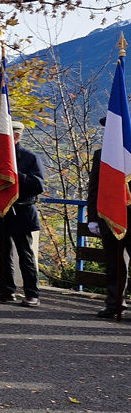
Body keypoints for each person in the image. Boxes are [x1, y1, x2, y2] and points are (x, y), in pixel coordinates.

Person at [0, 120, 46, 307]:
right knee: (2, 254)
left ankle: (32, 294)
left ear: (16, 136)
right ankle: (6, 290)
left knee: (26, 255)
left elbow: (38, 186)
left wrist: (15, 174)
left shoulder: (30, 158)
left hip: (22, 211)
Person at [85, 119, 131, 319]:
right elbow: (94, 188)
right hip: (109, 216)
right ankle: (114, 303)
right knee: (113, 263)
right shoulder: (101, 155)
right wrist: (93, 217)